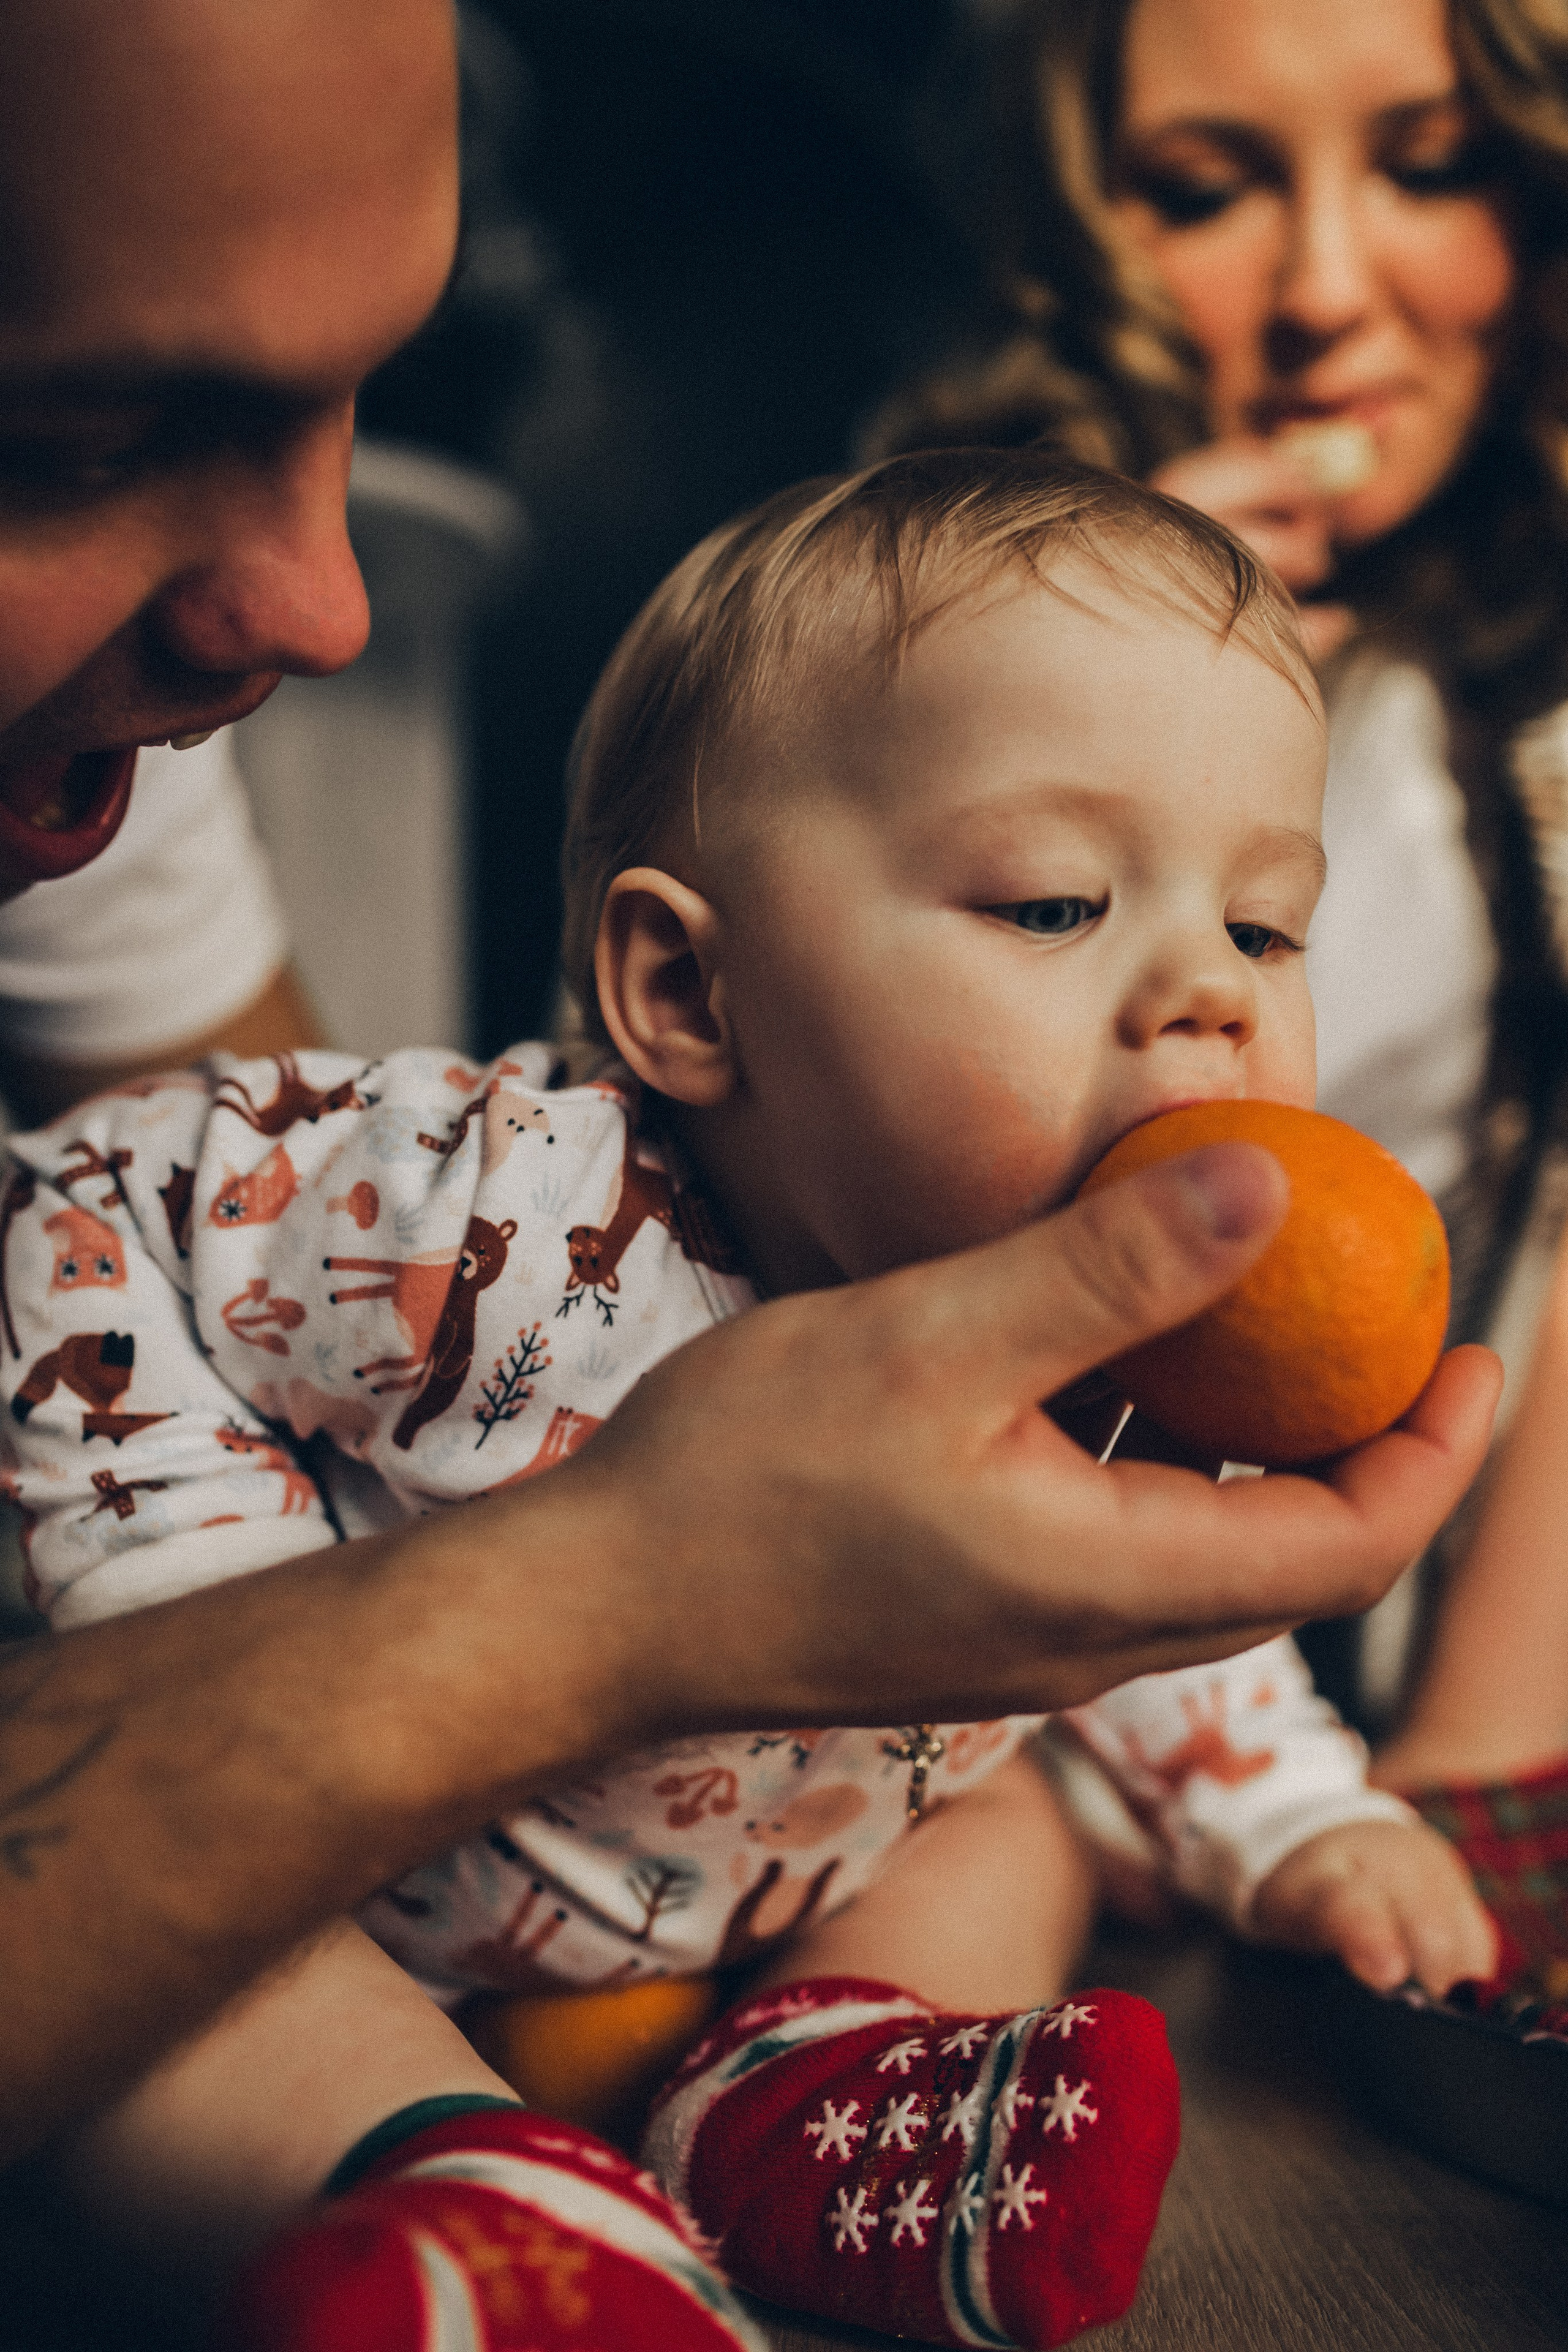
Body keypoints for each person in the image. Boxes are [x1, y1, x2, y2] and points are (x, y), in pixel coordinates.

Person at [0, 0, 1501, 2290]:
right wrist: (215, 1629)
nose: (1205, 994)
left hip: (758, 1903)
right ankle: (464, 2205)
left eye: (1264, 928)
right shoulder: (507, 1218)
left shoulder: (1119, 1352)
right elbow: (97, 1212)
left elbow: (1157, 1619)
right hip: (359, 1889)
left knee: (1019, 1828)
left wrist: (1303, 1819)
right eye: (1055, 906)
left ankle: (820, 2083)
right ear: (689, 996)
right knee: (230, 2015)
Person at [872, 0, 1568, 1961]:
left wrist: (1458, 1785)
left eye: (1429, 170)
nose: (1327, 293)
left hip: (1337, 1687)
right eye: (1207, 192)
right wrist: (1081, 638)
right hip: (929, 1602)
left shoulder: (1525, 717)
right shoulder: (907, 612)